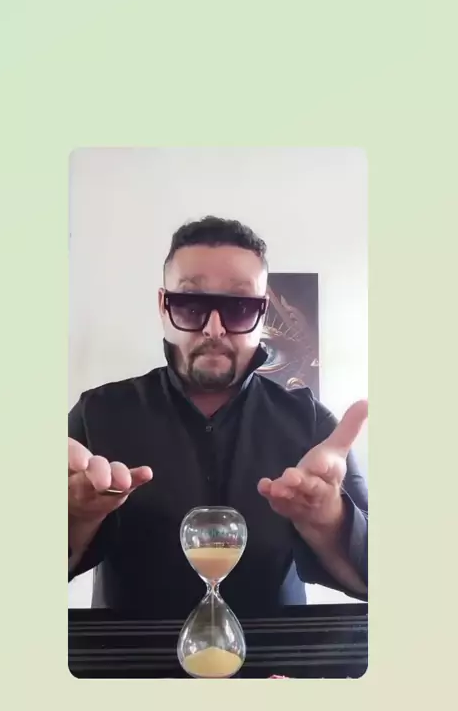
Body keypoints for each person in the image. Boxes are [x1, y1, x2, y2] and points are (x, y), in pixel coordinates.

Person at [69, 216, 368, 617]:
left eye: (239, 308)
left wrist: (330, 522)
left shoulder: (311, 424)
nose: (214, 329)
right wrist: (73, 519)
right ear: (163, 306)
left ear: (262, 314)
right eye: (191, 305)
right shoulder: (97, 414)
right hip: (128, 656)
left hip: (272, 657)